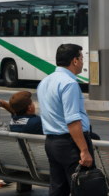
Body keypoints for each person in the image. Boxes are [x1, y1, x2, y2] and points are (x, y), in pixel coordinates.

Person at [38, 44, 94, 196]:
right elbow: (72, 120)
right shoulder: (69, 84)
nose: (83, 62)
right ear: (74, 61)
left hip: (52, 143)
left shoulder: (44, 82)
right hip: (70, 145)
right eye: (82, 58)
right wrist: (84, 150)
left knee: (58, 189)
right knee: (83, 189)